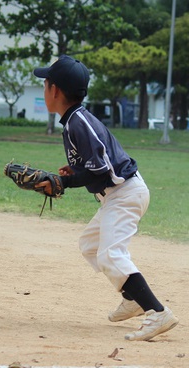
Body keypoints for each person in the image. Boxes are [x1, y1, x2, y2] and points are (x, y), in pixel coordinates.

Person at [33, 55, 179, 341]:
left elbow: (103, 170)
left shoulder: (79, 123)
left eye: (46, 83)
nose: (44, 89)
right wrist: (73, 173)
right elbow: (94, 165)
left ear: (55, 91)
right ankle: (134, 298)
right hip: (116, 195)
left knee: (110, 254)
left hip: (125, 193)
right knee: (90, 245)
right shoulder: (73, 121)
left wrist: (64, 182)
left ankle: (157, 312)